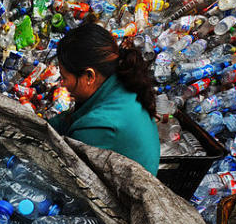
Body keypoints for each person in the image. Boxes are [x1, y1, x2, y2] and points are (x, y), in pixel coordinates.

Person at [48, 22, 161, 176]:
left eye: (65, 77)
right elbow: (70, 119)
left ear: (89, 76)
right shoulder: (124, 82)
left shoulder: (95, 127)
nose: (63, 83)